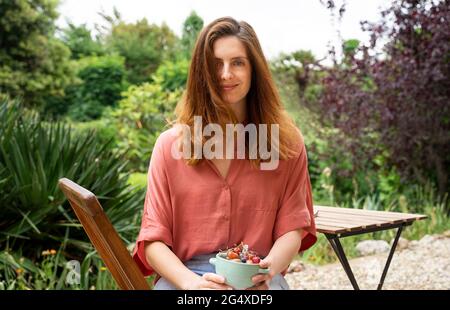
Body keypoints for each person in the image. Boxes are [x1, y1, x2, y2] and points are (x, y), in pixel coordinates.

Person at [132, 16, 317, 290]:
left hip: (258, 275)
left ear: (254, 69)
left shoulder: (286, 146)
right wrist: (191, 284)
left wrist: (267, 270)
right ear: (201, 73)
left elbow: (295, 226)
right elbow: (152, 241)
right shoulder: (169, 147)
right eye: (216, 64)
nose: (226, 74)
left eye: (238, 62)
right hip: (184, 277)